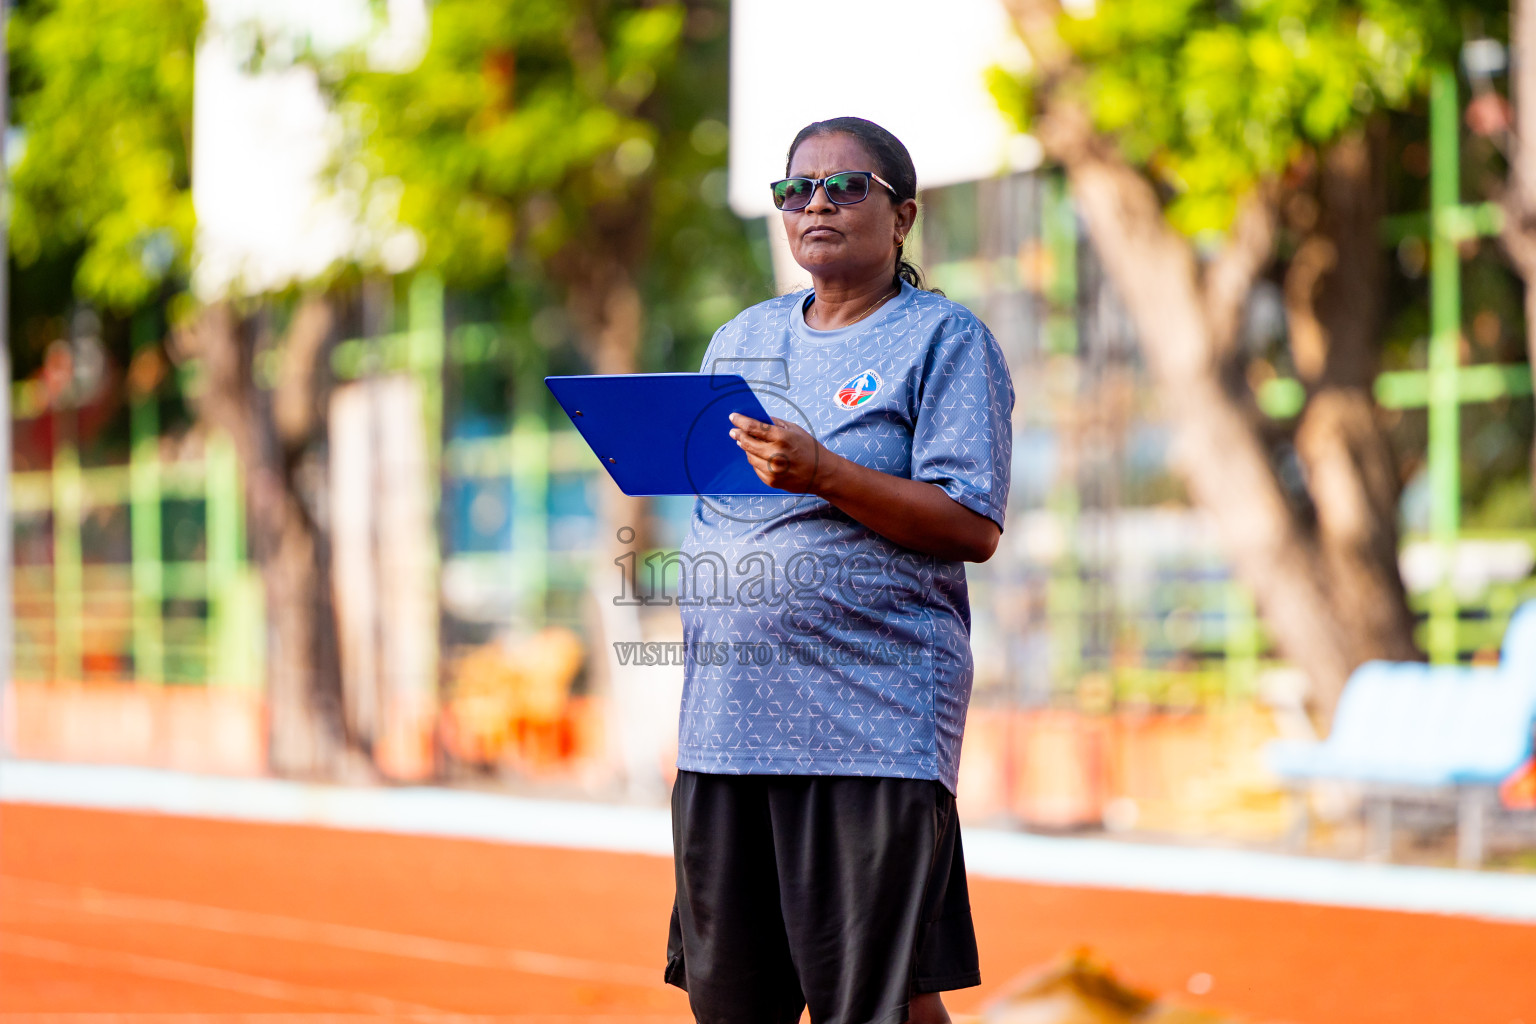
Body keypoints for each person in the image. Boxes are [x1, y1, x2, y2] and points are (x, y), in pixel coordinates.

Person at [664, 116, 1014, 1024]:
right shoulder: (739, 337)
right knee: (732, 1003)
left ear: (902, 217)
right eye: (795, 190)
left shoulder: (944, 340)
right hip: (726, 728)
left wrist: (824, 471)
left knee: (872, 1004)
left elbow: (972, 524)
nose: (815, 203)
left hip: (868, 726)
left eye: (844, 186)